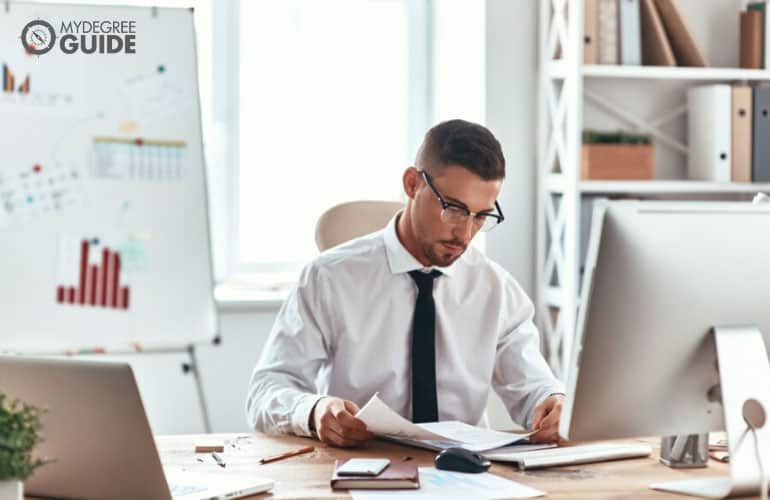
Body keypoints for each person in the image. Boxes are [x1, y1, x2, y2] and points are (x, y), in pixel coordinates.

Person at [246, 119, 565, 448]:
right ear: (412, 184)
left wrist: (550, 403)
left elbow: (534, 389)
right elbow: (266, 391)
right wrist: (315, 411)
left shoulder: (495, 288)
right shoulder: (329, 278)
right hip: (362, 465)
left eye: (481, 216)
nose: (465, 234)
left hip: (463, 474)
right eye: (454, 209)